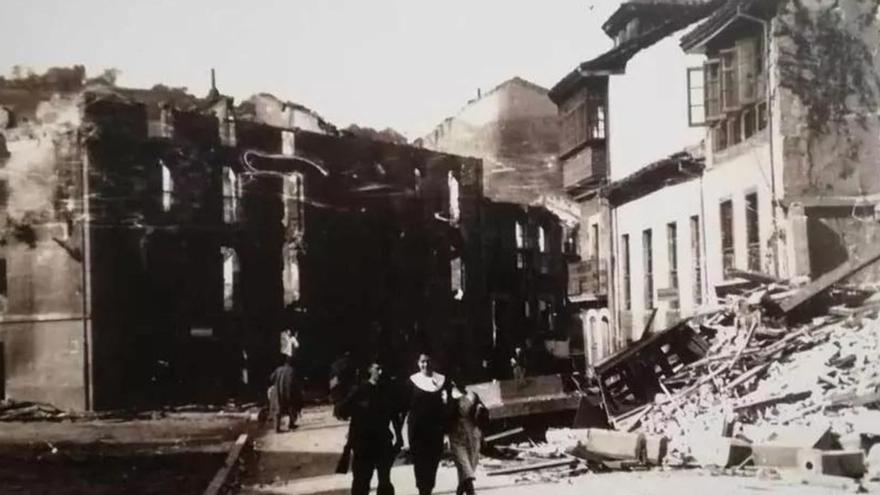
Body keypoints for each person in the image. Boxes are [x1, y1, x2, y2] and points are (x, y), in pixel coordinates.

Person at [336, 359, 403, 495]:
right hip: (363, 443)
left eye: (382, 369)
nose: (381, 372)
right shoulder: (360, 390)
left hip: (383, 442)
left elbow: (394, 415)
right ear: (369, 370)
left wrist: (399, 437)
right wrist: (355, 412)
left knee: (384, 481)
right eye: (377, 369)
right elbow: (340, 410)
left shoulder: (387, 391)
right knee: (361, 481)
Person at [404, 352, 451, 495]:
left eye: (429, 361)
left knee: (433, 463)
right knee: (420, 464)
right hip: (417, 431)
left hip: (436, 430)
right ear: (418, 363)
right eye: (423, 361)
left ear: (434, 362)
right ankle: (423, 491)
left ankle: (428, 490)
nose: (426, 365)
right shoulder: (412, 382)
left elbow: (450, 403)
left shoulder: (442, 380)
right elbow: (404, 408)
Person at [448, 387, 488, 495]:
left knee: (468, 469)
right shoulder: (450, 395)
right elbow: (445, 417)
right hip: (457, 435)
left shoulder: (473, 395)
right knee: (466, 468)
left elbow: (483, 417)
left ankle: (459, 492)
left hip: (473, 435)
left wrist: (482, 435)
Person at [268, 356, 303, 432]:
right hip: (289, 391)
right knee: (292, 407)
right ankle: (291, 424)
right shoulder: (292, 370)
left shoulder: (278, 369)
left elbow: (271, 378)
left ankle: (277, 428)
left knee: (278, 410)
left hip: (278, 391)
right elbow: (295, 382)